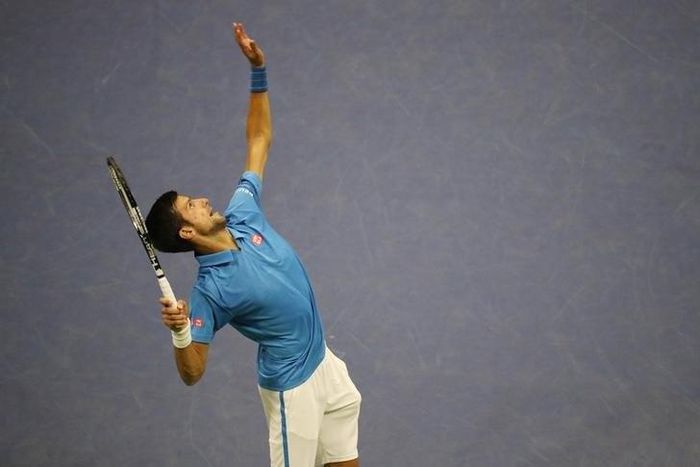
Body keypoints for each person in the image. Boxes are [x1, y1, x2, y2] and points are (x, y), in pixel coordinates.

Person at [144, 22, 361, 467]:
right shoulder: (211, 293)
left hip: (325, 364)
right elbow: (193, 373)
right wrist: (182, 331)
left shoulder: (242, 211)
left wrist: (258, 70)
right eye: (192, 206)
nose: (203, 200)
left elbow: (259, 139)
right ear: (188, 232)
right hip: (291, 390)